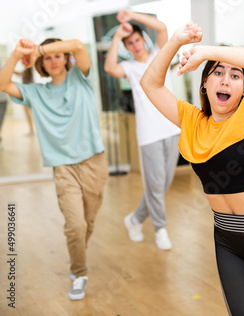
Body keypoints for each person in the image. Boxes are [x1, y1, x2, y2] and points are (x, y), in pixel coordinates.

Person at [141, 22, 244, 315]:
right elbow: (150, 83)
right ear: (204, 84)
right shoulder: (192, 121)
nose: (225, 80)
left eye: (235, 75)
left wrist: (206, 52)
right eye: (218, 72)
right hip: (227, 239)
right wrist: (176, 41)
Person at [0, 38, 108, 300]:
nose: (53, 60)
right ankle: (79, 272)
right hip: (63, 168)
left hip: (94, 162)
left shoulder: (81, 79)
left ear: (65, 59)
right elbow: (3, 84)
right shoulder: (36, 93)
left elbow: (79, 46)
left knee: (88, 223)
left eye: (58, 55)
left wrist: (38, 49)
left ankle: (77, 253)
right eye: (47, 58)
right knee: (75, 225)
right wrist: (17, 54)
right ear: (41, 66)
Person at [104, 9, 180, 250]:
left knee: (163, 184)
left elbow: (162, 27)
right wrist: (117, 37)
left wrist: (132, 15)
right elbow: (109, 67)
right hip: (149, 135)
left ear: (143, 40)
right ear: (127, 46)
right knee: (155, 186)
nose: (135, 45)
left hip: (172, 128)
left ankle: (135, 219)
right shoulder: (129, 68)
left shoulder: (160, 56)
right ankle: (160, 229)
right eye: (130, 43)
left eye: (137, 40)